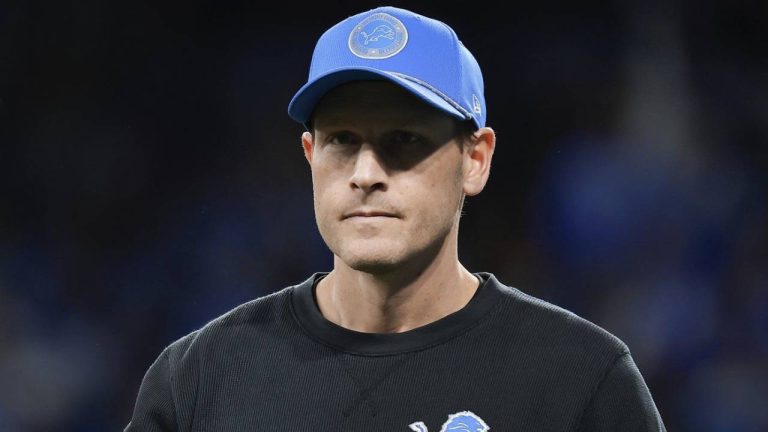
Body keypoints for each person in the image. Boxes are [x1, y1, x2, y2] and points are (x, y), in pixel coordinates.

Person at [125, 6, 665, 431]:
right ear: (310, 155)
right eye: (342, 140)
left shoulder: (578, 380)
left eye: (403, 141)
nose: (365, 173)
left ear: (475, 160)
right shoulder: (200, 377)